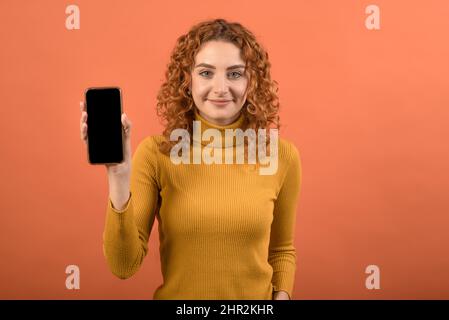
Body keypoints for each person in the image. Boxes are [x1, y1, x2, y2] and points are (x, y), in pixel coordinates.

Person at [79, 18, 302, 300]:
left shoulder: (282, 156)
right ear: (188, 80)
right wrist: (118, 176)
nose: (220, 88)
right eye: (206, 73)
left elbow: (282, 250)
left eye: (234, 74)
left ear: (252, 80)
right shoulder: (156, 154)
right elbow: (123, 265)